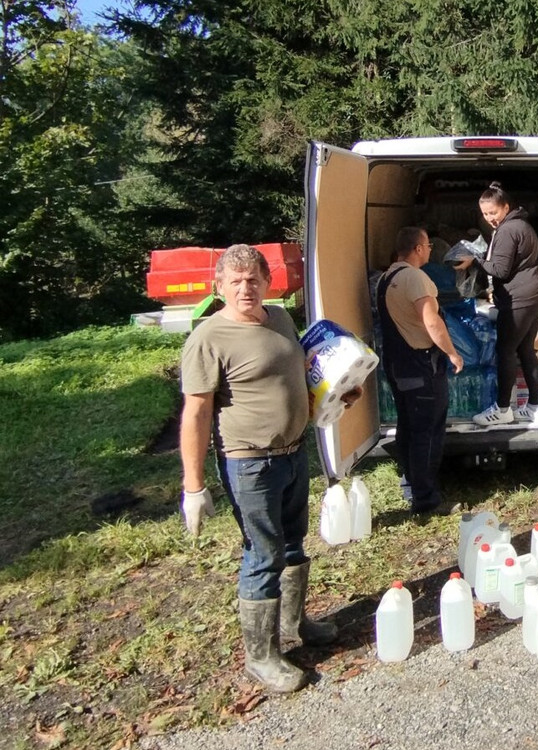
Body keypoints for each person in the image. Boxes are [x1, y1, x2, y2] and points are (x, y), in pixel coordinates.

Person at [179, 244, 361, 693]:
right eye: (235, 281)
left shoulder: (279, 318)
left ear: (267, 282)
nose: (246, 287)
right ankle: (260, 657)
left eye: (253, 279)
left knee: (294, 543)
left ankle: (295, 625)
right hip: (249, 464)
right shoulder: (208, 339)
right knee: (263, 555)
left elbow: (301, 372)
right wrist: (194, 486)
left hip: (294, 452)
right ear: (218, 287)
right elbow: (196, 414)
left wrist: (338, 394)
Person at [377, 227, 464, 512]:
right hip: (420, 364)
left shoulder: (386, 278)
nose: (429, 250)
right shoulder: (415, 277)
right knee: (428, 431)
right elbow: (431, 322)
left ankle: (410, 485)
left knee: (409, 428)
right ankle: (426, 500)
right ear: (417, 249)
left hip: (397, 364)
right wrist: (452, 352)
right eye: (427, 245)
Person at [462, 181, 538, 426]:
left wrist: (475, 259)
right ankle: (534, 407)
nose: (490, 218)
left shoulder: (508, 230)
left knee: (505, 351)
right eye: (485, 214)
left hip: (520, 298)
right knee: (525, 350)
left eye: (493, 212)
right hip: (537, 292)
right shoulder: (520, 224)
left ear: (506, 207)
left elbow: (499, 270)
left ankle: (502, 410)